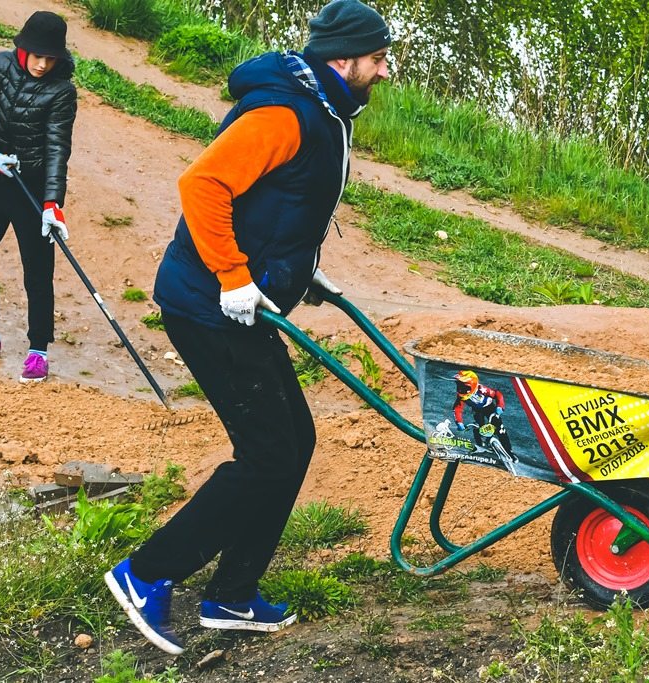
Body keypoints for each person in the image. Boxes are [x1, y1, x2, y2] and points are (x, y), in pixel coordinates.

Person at [104, 0, 392, 655]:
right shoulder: (285, 112)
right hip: (208, 303)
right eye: (376, 59)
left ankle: (232, 593)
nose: (384, 70)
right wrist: (234, 275)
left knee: (294, 438)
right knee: (267, 453)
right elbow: (202, 184)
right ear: (343, 59)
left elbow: (279, 203)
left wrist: (298, 274)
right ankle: (146, 572)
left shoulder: (321, 107)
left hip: (241, 298)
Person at [0, 11, 75, 383]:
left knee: (37, 273)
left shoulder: (61, 91)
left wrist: (52, 203)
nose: (43, 64)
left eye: (51, 57)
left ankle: (38, 350)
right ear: (21, 48)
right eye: (36, 55)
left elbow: (58, 147)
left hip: (34, 187)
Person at [453, 369, 514, 458]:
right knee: (478, 427)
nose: (461, 390)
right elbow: (457, 409)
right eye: (459, 386)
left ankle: (509, 451)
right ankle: (481, 447)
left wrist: (500, 406)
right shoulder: (461, 397)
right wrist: (459, 423)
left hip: (490, 408)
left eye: (464, 387)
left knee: (500, 428)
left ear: (472, 385)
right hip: (478, 410)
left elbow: (497, 394)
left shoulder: (482, 389)